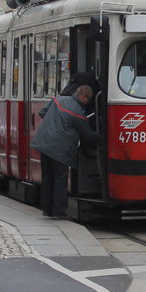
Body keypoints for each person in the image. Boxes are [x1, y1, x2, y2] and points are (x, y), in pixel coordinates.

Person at [32, 84, 97, 219]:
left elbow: (42, 113)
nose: (88, 102)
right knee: (60, 179)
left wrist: (54, 124)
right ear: (83, 96)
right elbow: (87, 134)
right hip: (60, 149)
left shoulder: (58, 100)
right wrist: (102, 139)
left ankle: (47, 209)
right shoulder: (77, 112)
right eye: (88, 99)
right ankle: (58, 212)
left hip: (44, 144)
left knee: (47, 178)